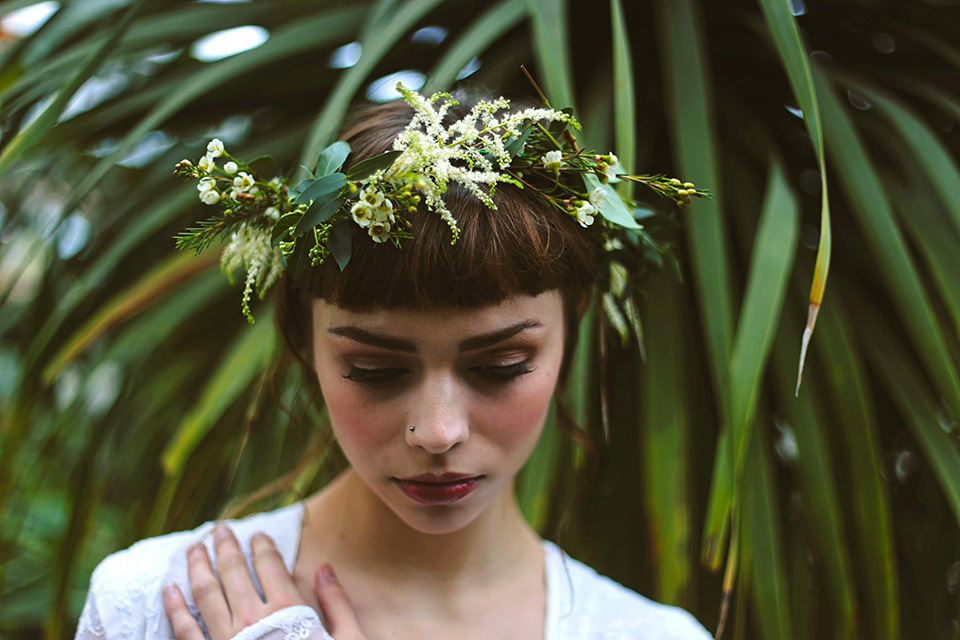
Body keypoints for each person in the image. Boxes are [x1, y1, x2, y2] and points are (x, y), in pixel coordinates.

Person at [74, 87, 712, 640]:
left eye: (502, 364)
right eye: (376, 371)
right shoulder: (153, 605)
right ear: (305, 340)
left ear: (574, 330)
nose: (438, 432)